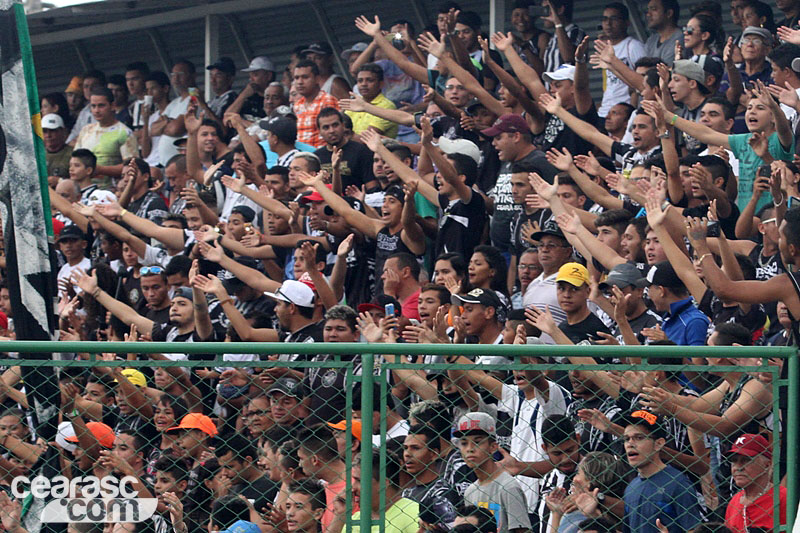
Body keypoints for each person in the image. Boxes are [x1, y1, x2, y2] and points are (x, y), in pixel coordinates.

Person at [621, 409, 703, 533]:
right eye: (627, 439)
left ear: (658, 444)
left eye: (639, 437)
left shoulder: (678, 484)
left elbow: (694, 529)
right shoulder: (631, 488)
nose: (630, 444)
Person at [455, 412, 532, 533]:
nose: (469, 449)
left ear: (493, 447)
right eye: (464, 443)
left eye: (477, 441)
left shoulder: (508, 487)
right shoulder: (470, 491)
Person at [724, 434, 787, 533]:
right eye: (734, 461)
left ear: (767, 464)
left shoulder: (784, 498)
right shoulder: (734, 502)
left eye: (746, 460)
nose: (738, 467)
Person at [74, 86, 138, 179]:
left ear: (112, 106)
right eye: (93, 106)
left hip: (113, 190)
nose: (96, 110)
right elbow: (75, 161)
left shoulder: (124, 133)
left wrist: (101, 170)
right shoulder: (85, 130)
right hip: (84, 190)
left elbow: (131, 167)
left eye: (101, 105)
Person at [596, 3, 646, 118]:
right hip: (605, 113)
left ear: (626, 22)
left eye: (614, 19)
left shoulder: (633, 46)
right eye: (605, 19)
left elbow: (642, 83)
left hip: (624, 115)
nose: (608, 24)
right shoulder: (605, 48)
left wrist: (632, 113)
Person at [313, 108, 378, 190]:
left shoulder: (362, 151)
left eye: (335, 125)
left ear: (343, 126)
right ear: (319, 131)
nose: (332, 130)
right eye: (326, 127)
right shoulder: (316, 157)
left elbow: (372, 186)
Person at [292, 60, 340, 148]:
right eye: (296, 78)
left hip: (320, 155)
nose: (299, 82)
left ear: (317, 79)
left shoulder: (327, 100)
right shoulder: (297, 105)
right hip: (301, 156)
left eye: (305, 77)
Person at [345, 63, 398, 138]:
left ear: (381, 84)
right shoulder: (354, 103)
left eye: (369, 80)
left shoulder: (387, 106)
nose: (364, 84)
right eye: (360, 81)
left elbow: (366, 139)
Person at [643, 0, 683, 65]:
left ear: (669, 13)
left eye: (653, 9)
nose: (648, 14)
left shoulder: (680, 39)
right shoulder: (651, 40)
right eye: (648, 10)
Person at [43, 114, 73, 179]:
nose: (48, 135)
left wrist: (60, 181)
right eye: (44, 131)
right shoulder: (37, 155)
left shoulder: (73, 154)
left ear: (63, 132)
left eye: (52, 131)